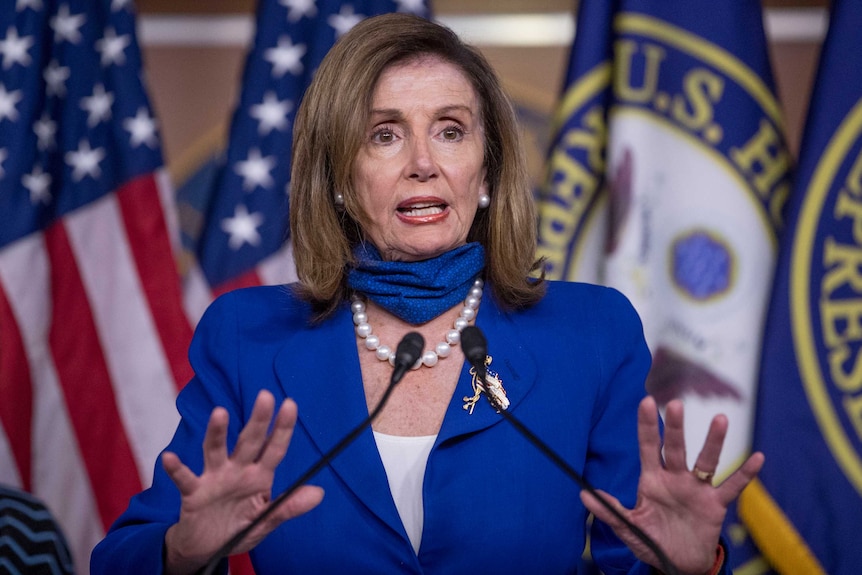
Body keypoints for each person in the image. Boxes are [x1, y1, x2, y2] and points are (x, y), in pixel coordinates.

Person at [91, 13, 763, 575]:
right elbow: (119, 556)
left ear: (487, 170)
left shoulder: (589, 333)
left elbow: (632, 553)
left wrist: (688, 565)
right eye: (384, 134)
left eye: (450, 129)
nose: (422, 161)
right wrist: (180, 550)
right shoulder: (248, 336)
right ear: (339, 178)